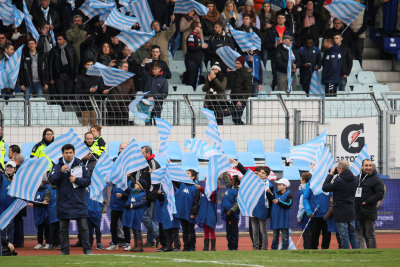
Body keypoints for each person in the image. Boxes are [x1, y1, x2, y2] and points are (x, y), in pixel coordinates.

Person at [48, 144, 92, 255]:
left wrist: (76, 180)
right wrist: (60, 172)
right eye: (66, 153)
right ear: (62, 153)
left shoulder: (80, 165)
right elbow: (52, 180)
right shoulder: (57, 166)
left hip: (79, 201)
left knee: (84, 228)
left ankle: (87, 250)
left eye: (70, 152)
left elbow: (88, 181)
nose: (68, 155)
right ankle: (64, 251)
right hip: (63, 202)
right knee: (63, 229)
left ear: (74, 153)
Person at [322, 160, 359, 249]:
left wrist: (331, 174)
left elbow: (325, 187)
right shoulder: (355, 179)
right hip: (350, 209)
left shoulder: (339, 181)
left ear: (341, 169)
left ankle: (346, 252)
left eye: (338, 169)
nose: (337, 170)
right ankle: (356, 251)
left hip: (340, 210)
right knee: (352, 233)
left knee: (344, 235)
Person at [355, 159, 385, 248]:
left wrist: (367, 202)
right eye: (366, 165)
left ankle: (372, 252)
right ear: (362, 166)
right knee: (363, 234)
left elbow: (380, 194)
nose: (368, 167)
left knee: (370, 234)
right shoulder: (358, 178)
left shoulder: (376, 179)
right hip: (359, 211)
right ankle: (369, 251)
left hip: (369, 211)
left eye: (370, 165)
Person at [138, 146, 161, 248]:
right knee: (148, 218)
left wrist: (150, 195)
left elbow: (155, 181)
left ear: (148, 153)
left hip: (151, 195)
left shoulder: (153, 163)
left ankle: (156, 236)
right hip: (145, 194)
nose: (141, 154)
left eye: (142, 153)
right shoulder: (144, 164)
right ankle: (152, 239)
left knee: (146, 217)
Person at [303, 171, 331, 249]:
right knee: (314, 238)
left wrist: (330, 211)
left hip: (327, 215)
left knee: (327, 237)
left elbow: (333, 197)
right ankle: (313, 254)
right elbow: (305, 198)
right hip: (315, 215)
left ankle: (325, 255)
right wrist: (309, 211)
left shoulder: (328, 181)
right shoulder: (311, 183)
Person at [265, 14, 293, 90]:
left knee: (288, 73)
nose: (280, 19)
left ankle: (288, 90)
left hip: (286, 55)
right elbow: (267, 43)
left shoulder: (289, 30)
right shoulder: (271, 30)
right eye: (279, 18)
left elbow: (293, 42)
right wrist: (273, 45)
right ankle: (274, 90)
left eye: (282, 18)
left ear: (285, 20)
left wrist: (288, 44)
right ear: (277, 19)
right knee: (275, 74)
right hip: (275, 55)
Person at [175, 169, 201, 251]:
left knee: (191, 231)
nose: (186, 175)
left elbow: (196, 202)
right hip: (182, 213)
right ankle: (186, 246)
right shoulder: (181, 184)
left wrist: (193, 213)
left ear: (192, 177)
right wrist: (172, 166)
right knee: (184, 231)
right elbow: (174, 179)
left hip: (190, 213)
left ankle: (192, 247)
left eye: (188, 174)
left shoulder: (195, 188)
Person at [75, 59, 104, 126]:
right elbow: (77, 90)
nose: (90, 66)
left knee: (93, 124)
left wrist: (104, 91)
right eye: (88, 65)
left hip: (95, 102)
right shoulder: (81, 77)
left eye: (91, 65)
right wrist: (89, 90)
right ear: (85, 66)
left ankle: (92, 136)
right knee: (85, 123)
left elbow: (101, 88)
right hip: (85, 102)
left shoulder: (98, 77)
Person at [106, 61, 136, 126]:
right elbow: (106, 87)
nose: (126, 68)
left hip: (125, 105)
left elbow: (133, 91)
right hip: (113, 105)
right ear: (119, 68)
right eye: (125, 67)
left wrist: (131, 99)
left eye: (127, 67)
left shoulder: (130, 79)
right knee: (112, 127)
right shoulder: (112, 77)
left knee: (124, 127)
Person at [122, 180, 148, 252]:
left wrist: (131, 205)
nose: (135, 185)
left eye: (137, 184)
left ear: (140, 186)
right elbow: (126, 188)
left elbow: (142, 203)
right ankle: (136, 245)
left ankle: (140, 245)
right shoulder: (133, 191)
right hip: (131, 214)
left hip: (137, 214)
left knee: (137, 229)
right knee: (133, 229)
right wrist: (124, 179)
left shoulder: (143, 194)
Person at [155, 183, 181, 252]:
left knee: (174, 230)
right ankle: (168, 246)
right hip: (166, 213)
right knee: (167, 230)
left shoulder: (177, 191)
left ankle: (177, 246)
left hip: (173, 213)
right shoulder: (164, 191)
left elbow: (178, 203)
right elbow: (161, 200)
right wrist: (159, 194)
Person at [183, 21, 208, 90]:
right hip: (192, 61)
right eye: (200, 27)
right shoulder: (191, 36)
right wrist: (201, 47)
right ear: (195, 27)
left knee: (196, 80)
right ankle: (189, 94)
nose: (201, 29)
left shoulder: (198, 36)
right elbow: (191, 48)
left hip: (197, 62)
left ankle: (194, 93)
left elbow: (199, 47)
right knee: (191, 80)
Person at [270, 178, 293, 250]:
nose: (278, 186)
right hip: (275, 218)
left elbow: (289, 204)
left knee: (285, 237)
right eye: (278, 184)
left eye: (280, 184)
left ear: (285, 186)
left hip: (284, 218)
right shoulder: (273, 193)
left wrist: (279, 202)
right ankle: (273, 250)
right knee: (275, 236)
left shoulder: (289, 194)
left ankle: (284, 250)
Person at [195, 182, 218, 251]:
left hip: (210, 215)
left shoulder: (213, 191)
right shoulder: (202, 192)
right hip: (204, 214)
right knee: (205, 231)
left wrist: (201, 188)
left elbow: (209, 194)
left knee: (211, 231)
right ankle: (206, 247)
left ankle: (213, 248)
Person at [230, 56, 252, 125]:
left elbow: (248, 89)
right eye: (236, 63)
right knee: (234, 118)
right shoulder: (235, 72)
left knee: (237, 118)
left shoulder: (246, 74)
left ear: (242, 63)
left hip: (240, 99)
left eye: (238, 63)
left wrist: (242, 101)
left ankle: (243, 129)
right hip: (234, 98)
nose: (236, 65)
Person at [221, 174, 240, 250]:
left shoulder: (238, 191)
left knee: (234, 232)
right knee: (228, 232)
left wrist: (231, 210)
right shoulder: (228, 186)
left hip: (233, 214)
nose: (229, 181)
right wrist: (223, 168)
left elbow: (238, 203)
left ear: (236, 183)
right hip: (227, 213)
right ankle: (229, 247)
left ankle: (234, 247)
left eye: (232, 180)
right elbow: (226, 178)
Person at [28, 182, 50, 250]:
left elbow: (46, 202)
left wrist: (34, 205)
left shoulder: (46, 190)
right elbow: (31, 201)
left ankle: (48, 243)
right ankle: (40, 243)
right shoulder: (34, 191)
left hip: (45, 213)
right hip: (37, 214)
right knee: (39, 229)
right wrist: (31, 203)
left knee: (47, 229)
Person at [0, 161, 17, 245]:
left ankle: (11, 245)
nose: (9, 168)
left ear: (14, 169)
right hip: (1, 207)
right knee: (2, 227)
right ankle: (3, 245)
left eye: (11, 167)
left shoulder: (17, 179)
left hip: (11, 207)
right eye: (7, 167)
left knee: (11, 227)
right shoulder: (1, 177)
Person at [296, 172, 312, 249]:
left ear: (304, 180)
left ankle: (307, 248)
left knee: (307, 234)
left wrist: (299, 217)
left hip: (305, 216)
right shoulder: (310, 188)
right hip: (310, 215)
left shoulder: (303, 191)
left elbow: (302, 206)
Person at [259, 1, 276, 67]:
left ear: (270, 7)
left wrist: (271, 25)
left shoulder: (274, 14)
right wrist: (264, 27)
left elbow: (276, 24)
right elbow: (258, 25)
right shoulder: (260, 14)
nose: (266, 8)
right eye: (265, 6)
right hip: (263, 36)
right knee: (264, 56)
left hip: (272, 36)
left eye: (268, 6)